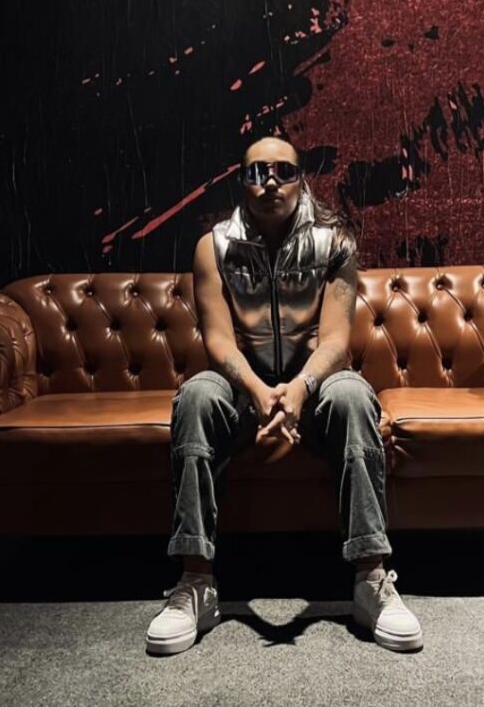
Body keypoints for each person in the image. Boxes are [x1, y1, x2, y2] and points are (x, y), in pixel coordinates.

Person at [144, 136, 423, 655]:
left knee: (354, 395)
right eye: (256, 172)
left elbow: (336, 341)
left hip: (314, 386)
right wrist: (256, 390)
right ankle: (195, 581)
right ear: (242, 183)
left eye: (282, 171)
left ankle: (371, 578)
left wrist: (299, 388)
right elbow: (218, 340)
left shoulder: (335, 243)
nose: (269, 181)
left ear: (301, 179)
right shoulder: (213, 247)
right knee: (195, 397)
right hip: (239, 388)